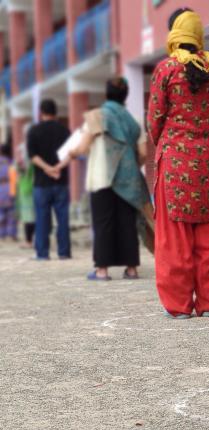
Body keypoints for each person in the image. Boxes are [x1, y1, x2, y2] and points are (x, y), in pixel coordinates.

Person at [147, 8, 209, 319]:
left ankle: (179, 306)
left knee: (175, 238)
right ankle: (208, 304)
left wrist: (169, 140)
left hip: (176, 165)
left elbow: (154, 121)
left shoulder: (166, 69)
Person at [58, 77, 153, 281]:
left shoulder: (97, 115)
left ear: (106, 94)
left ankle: (102, 271)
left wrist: (72, 153)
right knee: (127, 223)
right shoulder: (134, 120)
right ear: (125, 95)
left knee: (103, 223)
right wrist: (129, 166)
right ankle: (131, 269)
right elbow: (144, 153)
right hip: (128, 179)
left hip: (102, 178)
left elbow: (83, 147)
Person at [27, 99, 71, 260]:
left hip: (41, 183)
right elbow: (70, 153)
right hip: (61, 181)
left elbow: (33, 156)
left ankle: (42, 253)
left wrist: (47, 169)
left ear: (41, 112)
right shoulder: (65, 130)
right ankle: (64, 252)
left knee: (42, 218)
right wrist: (57, 168)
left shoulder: (34, 131)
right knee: (63, 218)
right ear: (56, 112)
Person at [16, 124, 35, 249]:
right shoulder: (36, 145)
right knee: (36, 213)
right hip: (35, 182)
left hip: (26, 184)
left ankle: (29, 241)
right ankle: (34, 240)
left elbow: (20, 166)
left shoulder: (22, 148)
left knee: (28, 215)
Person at [0, 143, 17, 241]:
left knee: (1, 213)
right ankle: (12, 234)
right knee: (11, 213)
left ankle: (1, 234)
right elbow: (15, 176)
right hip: (10, 187)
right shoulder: (11, 162)